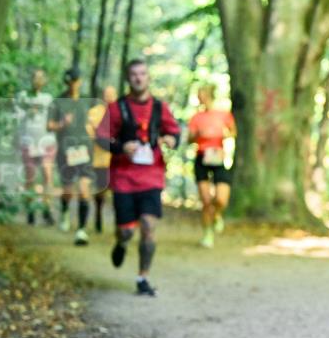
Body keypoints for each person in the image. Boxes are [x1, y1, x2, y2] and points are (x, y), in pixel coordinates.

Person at [97, 59, 180, 296]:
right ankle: (121, 242)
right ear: (128, 78)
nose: (138, 78)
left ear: (148, 77)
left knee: (148, 226)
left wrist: (171, 140)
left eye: (142, 73)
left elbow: (174, 132)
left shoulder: (159, 107)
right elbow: (101, 138)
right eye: (134, 74)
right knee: (126, 231)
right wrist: (121, 147)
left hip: (152, 176)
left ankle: (143, 278)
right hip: (123, 177)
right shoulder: (117, 108)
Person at [48, 68, 96, 245]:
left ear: (80, 81)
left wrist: (93, 129)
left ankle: (81, 230)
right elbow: (49, 125)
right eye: (70, 81)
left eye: (75, 81)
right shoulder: (58, 102)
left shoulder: (87, 101)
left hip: (85, 150)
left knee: (84, 188)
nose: (73, 84)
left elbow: (95, 120)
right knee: (67, 189)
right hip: (65, 151)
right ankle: (65, 211)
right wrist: (62, 123)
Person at [187, 83, 236, 248]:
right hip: (202, 157)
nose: (199, 98)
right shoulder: (196, 117)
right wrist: (197, 135)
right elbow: (189, 139)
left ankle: (217, 215)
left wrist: (223, 134)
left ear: (209, 95)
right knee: (206, 200)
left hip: (218, 157)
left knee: (221, 199)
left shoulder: (223, 114)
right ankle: (208, 234)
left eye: (201, 95)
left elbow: (233, 132)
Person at [15, 69, 56, 226]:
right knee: (30, 177)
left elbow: (52, 119)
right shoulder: (22, 97)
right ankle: (30, 209)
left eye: (41, 78)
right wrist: (28, 112)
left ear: (45, 81)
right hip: (28, 142)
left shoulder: (48, 98)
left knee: (47, 174)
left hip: (46, 142)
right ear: (31, 79)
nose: (37, 80)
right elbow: (16, 118)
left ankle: (47, 209)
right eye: (35, 77)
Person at [87, 85, 118, 233]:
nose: (109, 97)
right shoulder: (94, 112)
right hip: (100, 160)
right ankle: (98, 217)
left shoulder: (120, 112)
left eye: (112, 94)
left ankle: (120, 223)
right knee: (101, 191)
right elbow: (89, 132)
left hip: (117, 160)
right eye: (107, 94)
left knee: (119, 192)